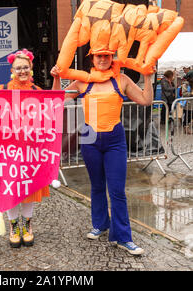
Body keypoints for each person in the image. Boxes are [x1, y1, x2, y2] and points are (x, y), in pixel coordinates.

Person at [51, 49, 154, 256]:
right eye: (99, 56)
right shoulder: (82, 81)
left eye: (107, 56)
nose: (103, 59)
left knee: (117, 190)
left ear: (112, 58)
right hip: (90, 137)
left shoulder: (121, 79)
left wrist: (147, 77)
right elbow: (57, 100)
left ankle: (123, 237)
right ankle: (100, 224)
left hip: (115, 139)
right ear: (92, 58)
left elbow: (145, 100)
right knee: (97, 186)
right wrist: (56, 78)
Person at [0, 49, 48, 248]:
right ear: (12, 70)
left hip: (31, 150)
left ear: (31, 68)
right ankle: (13, 227)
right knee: (11, 189)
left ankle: (27, 227)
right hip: (9, 150)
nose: (22, 71)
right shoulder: (2, 89)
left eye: (25, 67)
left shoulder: (38, 91)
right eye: (18, 68)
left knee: (28, 189)